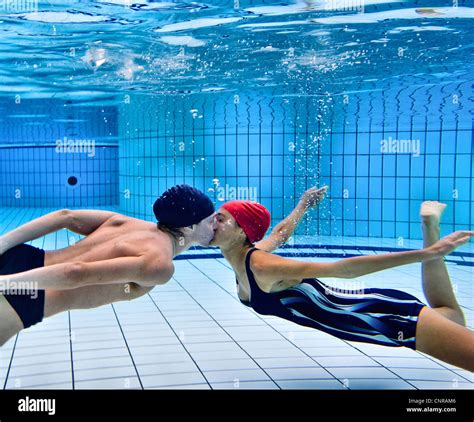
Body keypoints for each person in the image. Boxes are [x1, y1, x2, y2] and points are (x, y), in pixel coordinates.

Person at [209, 194, 474, 372]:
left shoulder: (260, 265)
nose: (213, 221)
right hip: (372, 318)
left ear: (242, 230)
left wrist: (424, 255)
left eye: (221, 218)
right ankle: (430, 227)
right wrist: (303, 204)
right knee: (452, 317)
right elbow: (280, 233)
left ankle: (431, 241)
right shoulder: (246, 258)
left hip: (384, 316)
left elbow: (343, 269)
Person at [0, 184, 216, 346]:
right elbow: (75, 272)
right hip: (29, 297)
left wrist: (4, 243)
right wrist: (6, 283)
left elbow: (64, 216)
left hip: (19, 257)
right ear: (189, 226)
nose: (215, 225)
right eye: (210, 220)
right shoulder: (160, 263)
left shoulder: (126, 222)